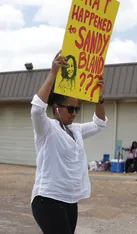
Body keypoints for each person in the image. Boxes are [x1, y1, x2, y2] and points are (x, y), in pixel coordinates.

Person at [30, 50, 108, 234]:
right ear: (57, 108)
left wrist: (99, 98)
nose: (74, 113)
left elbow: (99, 124)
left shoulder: (76, 130)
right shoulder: (47, 128)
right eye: (71, 109)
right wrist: (53, 74)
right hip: (47, 199)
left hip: (70, 200)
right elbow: (36, 110)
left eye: (77, 110)